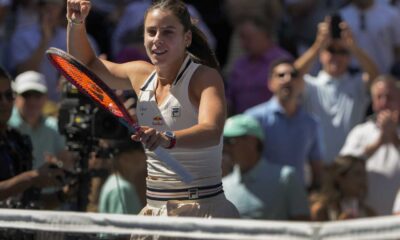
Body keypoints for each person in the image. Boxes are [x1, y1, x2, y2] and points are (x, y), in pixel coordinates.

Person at [66, 0, 239, 218]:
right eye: (151, 32)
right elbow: (87, 66)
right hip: (156, 212)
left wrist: (167, 138)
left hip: (202, 212)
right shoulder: (140, 74)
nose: (157, 39)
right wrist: (76, 23)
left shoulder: (205, 77)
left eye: (168, 32)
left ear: (187, 38)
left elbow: (212, 131)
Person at [295, 17, 379, 164]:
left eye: (342, 52)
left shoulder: (357, 84)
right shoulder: (311, 84)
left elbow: (375, 76)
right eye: (331, 50)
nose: (336, 56)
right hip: (317, 167)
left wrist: (353, 46)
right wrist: (317, 45)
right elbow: (293, 76)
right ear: (321, 55)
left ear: (349, 57)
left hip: (350, 168)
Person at [245, 59, 324, 189]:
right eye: (281, 75)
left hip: (298, 198)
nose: (288, 79)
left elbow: (317, 167)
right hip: (262, 195)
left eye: (293, 75)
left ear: (301, 83)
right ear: (270, 83)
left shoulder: (311, 123)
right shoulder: (254, 118)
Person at [222, 114, 310, 220]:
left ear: (253, 141)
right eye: (223, 142)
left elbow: (302, 224)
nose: (225, 148)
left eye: (230, 141)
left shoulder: (286, 178)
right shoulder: (223, 185)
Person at [0, 66, 64, 206]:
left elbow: (28, 204)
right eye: (27, 95)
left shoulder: (17, 140)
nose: (4, 102)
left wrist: (63, 195)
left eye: (8, 95)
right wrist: (31, 177)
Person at [340, 75, 400, 216]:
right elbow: (344, 166)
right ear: (373, 102)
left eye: (389, 98)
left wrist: (393, 139)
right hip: (366, 220)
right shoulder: (359, 132)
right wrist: (379, 142)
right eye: (379, 97)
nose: (384, 103)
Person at [225, 15, 293, 115]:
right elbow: (230, 99)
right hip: (243, 125)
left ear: (265, 35)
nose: (244, 44)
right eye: (242, 38)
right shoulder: (239, 65)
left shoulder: (283, 61)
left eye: (249, 38)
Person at [8, 70, 72, 170]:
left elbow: (66, 162)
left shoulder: (55, 127)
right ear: (15, 97)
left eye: (37, 96)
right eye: (26, 95)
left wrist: (60, 165)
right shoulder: (5, 126)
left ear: (46, 98)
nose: (32, 101)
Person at [310, 155, 375, 221]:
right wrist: (340, 225)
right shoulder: (321, 211)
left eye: (364, 174)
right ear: (340, 178)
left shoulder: (369, 213)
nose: (363, 179)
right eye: (357, 174)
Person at [99, 139, 147, 215]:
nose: (144, 158)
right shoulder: (123, 188)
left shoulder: (113, 182)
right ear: (124, 158)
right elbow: (122, 224)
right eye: (140, 153)